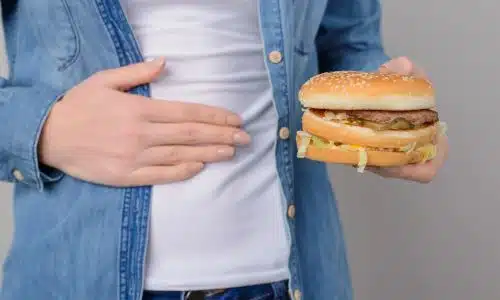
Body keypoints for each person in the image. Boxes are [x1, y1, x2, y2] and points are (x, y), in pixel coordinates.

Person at [0, 0, 448, 299]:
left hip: (292, 280)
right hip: (77, 279)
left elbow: (349, 45)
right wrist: (45, 129)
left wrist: (392, 121)